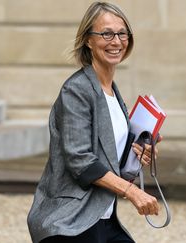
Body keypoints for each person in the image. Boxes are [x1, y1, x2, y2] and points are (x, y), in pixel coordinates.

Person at [27, 2, 161, 243]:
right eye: (107, 33)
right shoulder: (76, 90)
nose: (117, 41)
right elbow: (80, 161)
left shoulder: (112, 93)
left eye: (122, 33)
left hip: (104, 219)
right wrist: (132, 192)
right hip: (69, 221)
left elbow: (109, 165)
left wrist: (136, 158)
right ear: (88, 40)